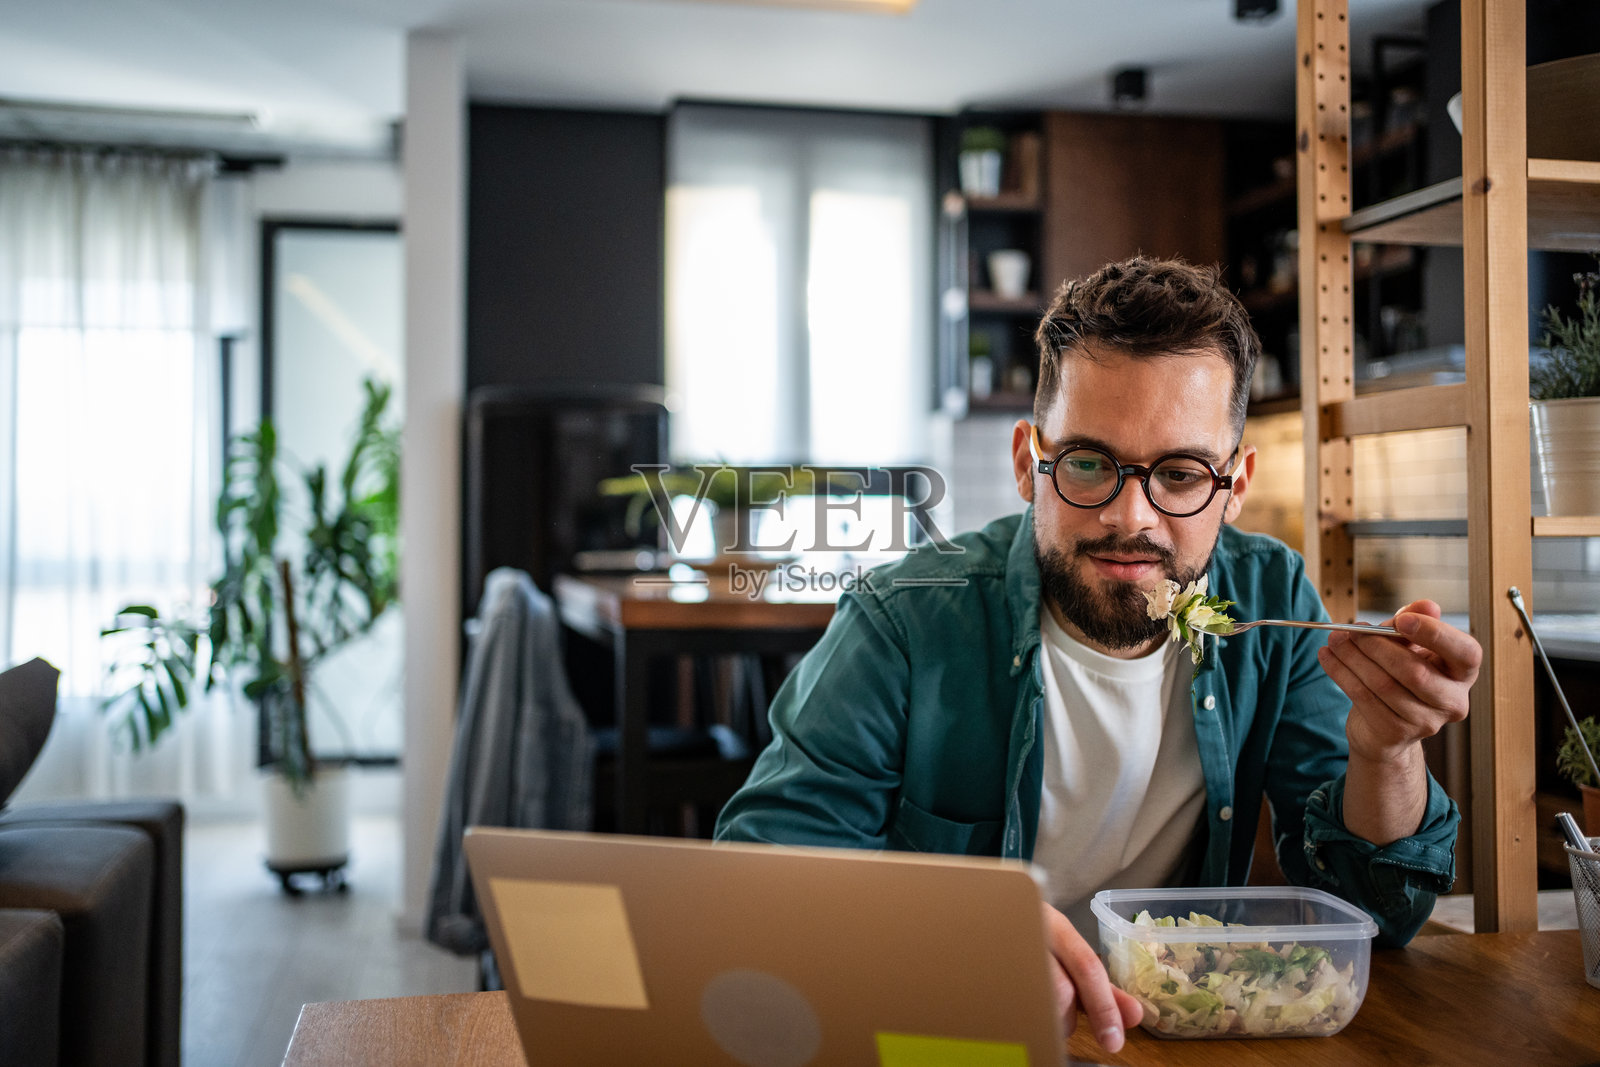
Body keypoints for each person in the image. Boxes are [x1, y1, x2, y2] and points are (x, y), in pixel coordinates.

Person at [714, 256, 1479, 1055]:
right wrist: (967, 930)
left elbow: (1374, 914)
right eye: (1088, 463)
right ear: (1027, 462)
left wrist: (1387, 753)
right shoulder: (904, 621)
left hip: (1170, 1037)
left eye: (1180, 473)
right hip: (950, 1032)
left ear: (1235, 483)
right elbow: (762, 877)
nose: (1128, 515)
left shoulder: (1272, 605)